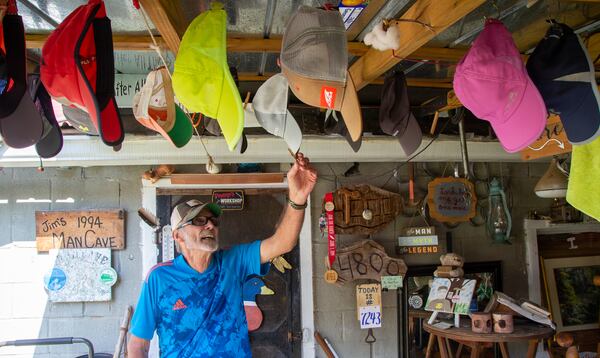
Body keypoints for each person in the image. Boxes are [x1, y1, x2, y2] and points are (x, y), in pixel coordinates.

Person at [128, 153, 317, 358]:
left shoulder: (234, 262)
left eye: (213, 221)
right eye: (198, 221)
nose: (210, 225)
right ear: (177, 235)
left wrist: (298, 198)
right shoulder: (159, 278)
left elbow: (283, 242)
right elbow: (138, 345)